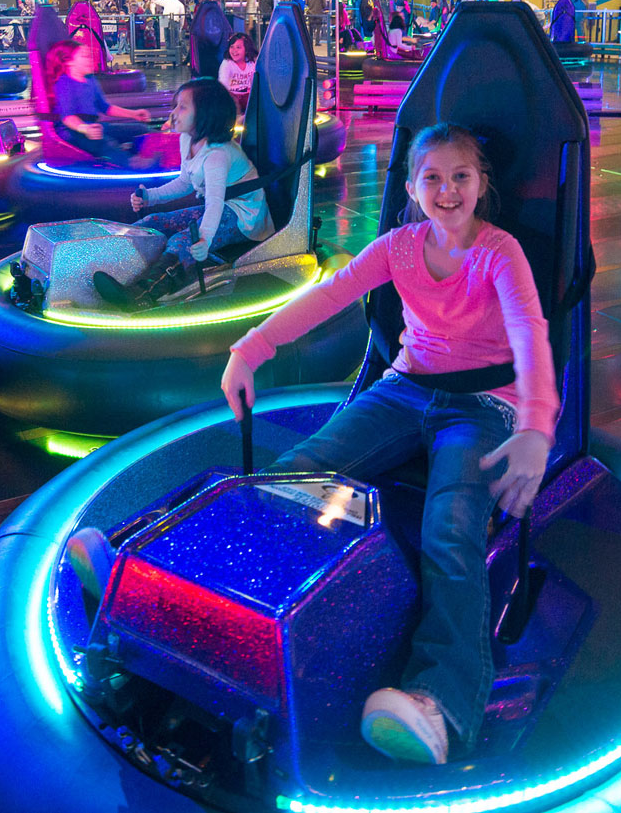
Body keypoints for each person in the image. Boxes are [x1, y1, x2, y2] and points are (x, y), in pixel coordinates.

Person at [215, 121, 557, 766]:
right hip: (405, 390)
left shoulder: (500, 252)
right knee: (294, 472)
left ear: (482, 185)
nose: (447, 190)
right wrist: (250, 348)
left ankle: (441, 703)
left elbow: (530, 332)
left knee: (451, 526)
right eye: (433, 178)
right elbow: (329, 295)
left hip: (484, 406)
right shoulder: (399, 247)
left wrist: (536, 426)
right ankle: (195, 580)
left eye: (461, 176)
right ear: (411, 186)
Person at [92, 78, 273, 309]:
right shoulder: (187, 140)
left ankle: (141, 295)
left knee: (183, 241)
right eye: (176, 105)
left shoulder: (217, 155)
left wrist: (204, 238)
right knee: (152, 221)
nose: (174, 112)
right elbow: (185, 183)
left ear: (206, 114)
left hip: (245, 217)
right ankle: (113, 268)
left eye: (183, 106)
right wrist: (150, 197)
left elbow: (215, 204)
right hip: (218, 208)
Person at [48, 39, 154, 167]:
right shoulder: (65, 83)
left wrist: (134, 114)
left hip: (94, 127)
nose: (90, 59)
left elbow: (105, 107)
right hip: (73, 132)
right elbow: (67, 117)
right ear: (69, 62)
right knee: (106, 143)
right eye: (85, 56)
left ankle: (137, 156)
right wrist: (85, 128)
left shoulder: (91, 80)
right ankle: (133, 164)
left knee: (140, 129)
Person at [217, 31, 257, 103]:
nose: (234, 50)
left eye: (238, 47)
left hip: (248, 98)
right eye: (231, 47)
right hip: (231, 99)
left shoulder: (251, 63)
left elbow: (255, 84)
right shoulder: (227, 64)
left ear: (246, 50)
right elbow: (223, 86)